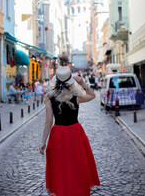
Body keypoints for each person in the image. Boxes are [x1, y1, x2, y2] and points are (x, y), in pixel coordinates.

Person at [39, 66, 100, 196]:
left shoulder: (49, 98)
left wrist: (43, 141)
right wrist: (82, 82)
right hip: (75, 133)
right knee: (77, 165)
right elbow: (92, 95)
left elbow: (48, 121)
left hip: (58, 135)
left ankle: (62, 191)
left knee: (60, 167)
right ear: (70, 80)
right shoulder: (76, 96)